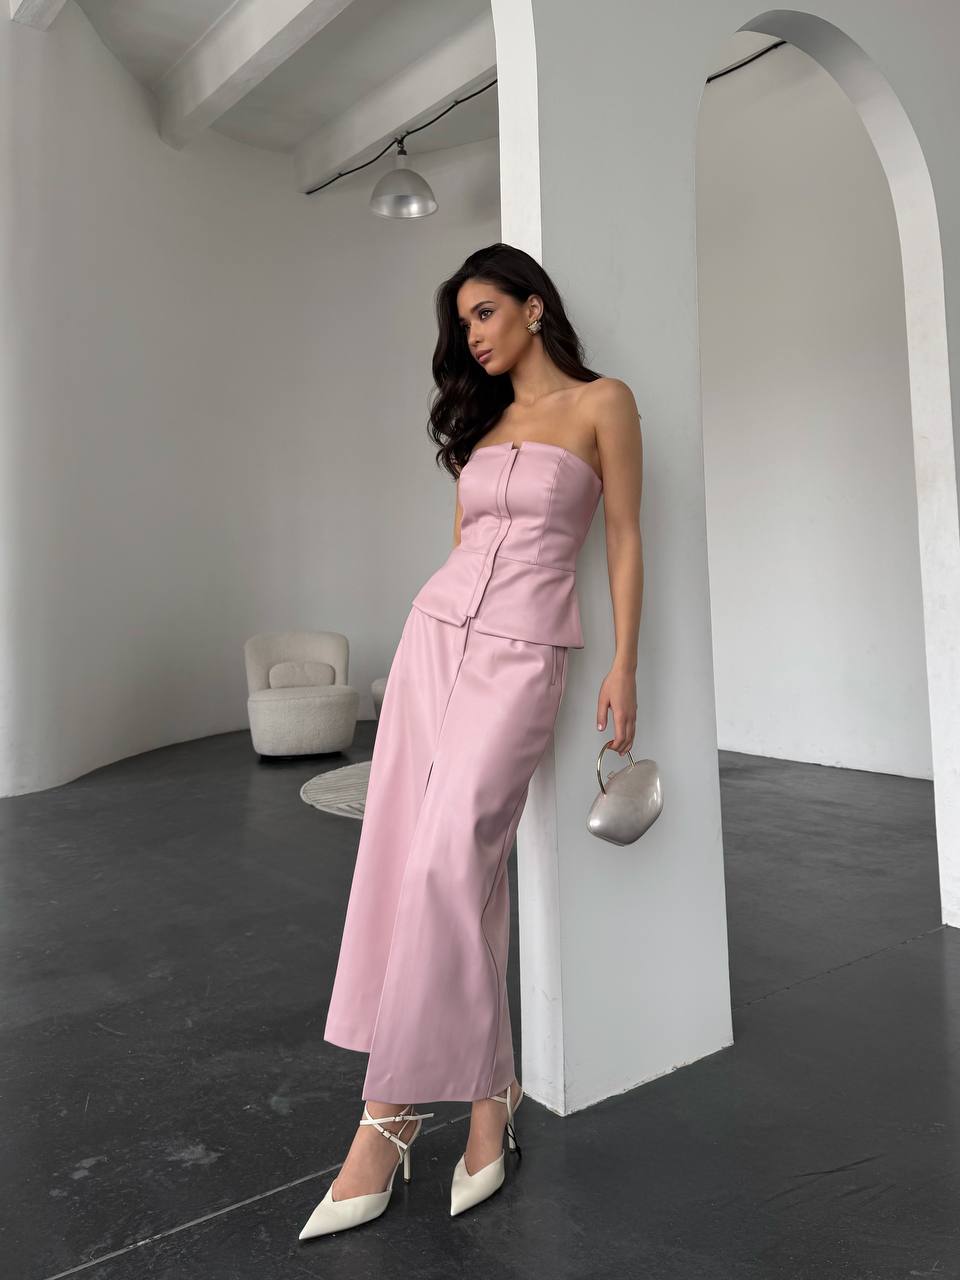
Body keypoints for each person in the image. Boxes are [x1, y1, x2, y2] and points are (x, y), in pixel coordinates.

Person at [299, 242, 644, 1240]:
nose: (474, 337)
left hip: (526, 650)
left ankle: (391, 1112)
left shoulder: (602, 403)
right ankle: (491, 1095)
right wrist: (429, 638)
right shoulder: (482, 423)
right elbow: (463, 544)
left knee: (454, 856)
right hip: (434, 638)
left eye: (487, 313)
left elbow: (622, 533)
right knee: (421, 859)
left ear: (535, 307)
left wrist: (624, 664)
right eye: (465, 324)